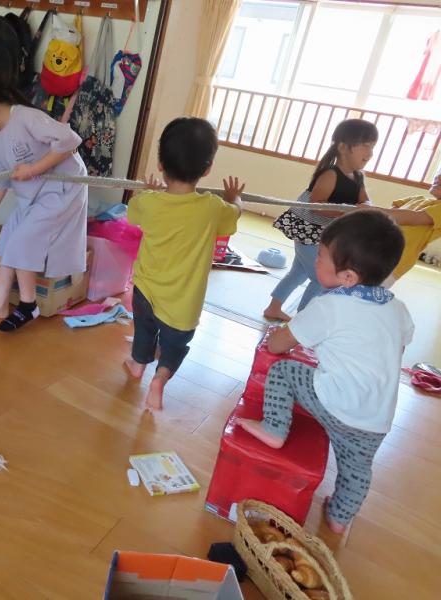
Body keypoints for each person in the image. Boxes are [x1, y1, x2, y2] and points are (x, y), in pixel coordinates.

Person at [238, 210, 414, 535]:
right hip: (376, 418)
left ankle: (274, 427)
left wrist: (278, 339)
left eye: (320, 256)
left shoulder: (329, 305)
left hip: (333, 402)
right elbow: (397, 350)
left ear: (347, 277)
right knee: (356, 470)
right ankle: (339, 517)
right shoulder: (398, 309)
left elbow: (279, 344)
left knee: (285, 371)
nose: (315, 260)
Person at [0, 61, 88, 332]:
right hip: (34, 196)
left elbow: (70, 141)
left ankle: (28, 305)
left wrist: (34, 169)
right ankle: (0, 304)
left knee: (21, 241)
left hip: (63, 189)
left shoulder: (25, 117)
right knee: (7, 242)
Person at [122, 118, 244, 411]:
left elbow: (134, 213)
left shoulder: (149, 202)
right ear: (207, 168)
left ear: (160, 163)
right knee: (175, 345)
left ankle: (138, 365)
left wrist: (146, 192)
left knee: (144, 330)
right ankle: (160, 379)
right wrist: (235, 198)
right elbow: (234, 215)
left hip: (145, 291)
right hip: (183, 302)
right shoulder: (213, 208)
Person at [263, 119, 378, 322]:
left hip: (325, 236)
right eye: (366, 145)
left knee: (298, 272)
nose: (370, 153)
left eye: (373, 146)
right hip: (309, 234)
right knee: (321, 278)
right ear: (343, 147)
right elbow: (316, 205)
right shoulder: (330, 174)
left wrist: (366, 206)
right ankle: (302, 321)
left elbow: (364, 200)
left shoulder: (358, 177)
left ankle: (274, 308)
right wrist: (348, 212)